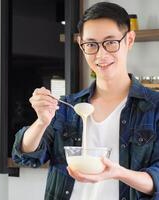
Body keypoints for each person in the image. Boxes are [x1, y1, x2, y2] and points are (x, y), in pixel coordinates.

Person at [12, 2, 159, 200]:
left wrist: (119, 173)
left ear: (129, 40)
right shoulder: (67, 107)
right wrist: (41, 122)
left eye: (110, 42)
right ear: (81, 45)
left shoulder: (154, 107)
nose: (101, 54)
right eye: (91, 44)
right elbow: (26, 156)